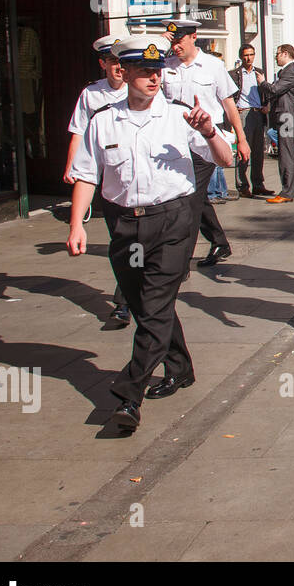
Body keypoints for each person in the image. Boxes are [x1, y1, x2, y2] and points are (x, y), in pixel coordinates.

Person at [66, 36, 234, 433]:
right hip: (125, 224)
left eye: (158, 71)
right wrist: (77, 224)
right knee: (145, 305)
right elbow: (87, 174)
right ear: (123, 74)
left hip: (174, 220)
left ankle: (129, 395)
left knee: (155, 303)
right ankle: (180, 366)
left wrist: (211, 131)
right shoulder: (103, 119)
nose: (154, 78)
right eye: (145, 72)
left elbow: (226, 158)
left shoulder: (181, 115)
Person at [160, 19, 246, 267]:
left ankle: (179, 262)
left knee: (189, 198)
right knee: (193, 196)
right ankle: (219, 241)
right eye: (172, 41)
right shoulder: (165, 66)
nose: (175, 46)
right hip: (175, 143)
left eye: (179, 41)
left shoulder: (213, 65)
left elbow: (229, 104)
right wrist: (159, 44)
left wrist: (241, 139)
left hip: (206, 143)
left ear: (193, 37)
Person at [64, 34, 130, 325]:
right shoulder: (91, 94)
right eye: (113, 62)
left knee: (140, 245)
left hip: (138, 179)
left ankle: (127, 300)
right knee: (121, 242)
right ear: (103, 63)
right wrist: (71, 167)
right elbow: (78, 131)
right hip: (107, 179)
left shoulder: (141, 88)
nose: (118, 67)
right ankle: (127, 298)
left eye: (122, 61)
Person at [261, 44, 294, 203]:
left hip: (286, 116)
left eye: (277, 54)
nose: (275, 57)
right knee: (291, 151)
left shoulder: (290, 71)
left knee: (286, 152)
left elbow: (274, 89)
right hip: (287, 115)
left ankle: (287, 191)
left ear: (285, 54)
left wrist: (262, 82)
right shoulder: (288, 71)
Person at [230, 43, 272, 197]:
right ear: (241, 56)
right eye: (246, 55)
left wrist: (266, 104)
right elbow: (228, 94)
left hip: (257, 113)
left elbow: (266, 90)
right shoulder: (234, 74)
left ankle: (258, 184)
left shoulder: (259, 73)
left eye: (251, 54)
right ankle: (242, 185)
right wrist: (234, 107)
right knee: (243, 150)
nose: (249, 58)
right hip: (243, 113)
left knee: (258, 152)